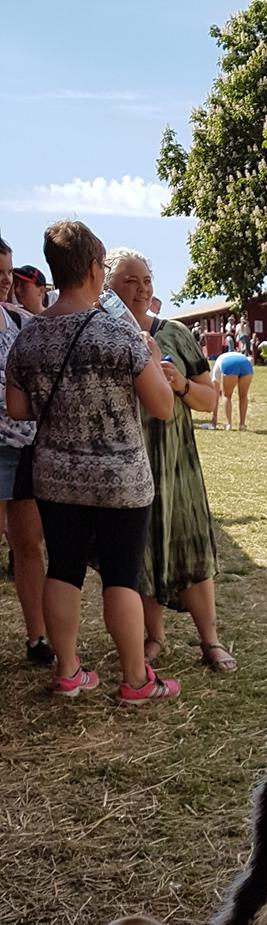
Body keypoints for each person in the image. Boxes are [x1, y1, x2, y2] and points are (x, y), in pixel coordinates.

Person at [6, 220, 180, 703]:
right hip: (120, 476)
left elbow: (18, 409)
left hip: (55, 476)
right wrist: (152, 356)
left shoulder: (29, 337)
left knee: (62, 568)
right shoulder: (119, 333)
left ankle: (67, 672)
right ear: (91, 268)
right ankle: (136, 681)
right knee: (121, 575)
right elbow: (162, 407)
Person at [106, 248, 236, 673]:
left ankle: (210, 640)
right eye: (130, 281)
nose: (142, 289)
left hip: (177, 463)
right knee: (141, 553)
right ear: (108, 286)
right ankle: (153, 637)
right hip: (129, 463)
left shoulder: (176, 333)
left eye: (146, 280)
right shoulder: (104, 335)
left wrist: (181, 386)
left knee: (192, 549)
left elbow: (209, 398)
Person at [0, 237, 51, 662]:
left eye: (8, 273)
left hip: (25, 450)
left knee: (28, 546)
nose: (4, 282)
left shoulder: (21, 324)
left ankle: (38, 638)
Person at [210, 346, 253, 430]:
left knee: (227, 395)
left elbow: (215, 393)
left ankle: (229, 424)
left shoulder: (217, 363)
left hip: (229, 363)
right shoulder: (236, 355)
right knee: (243, 396)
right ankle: (242, 424)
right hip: (245, 363)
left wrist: (214, 418)